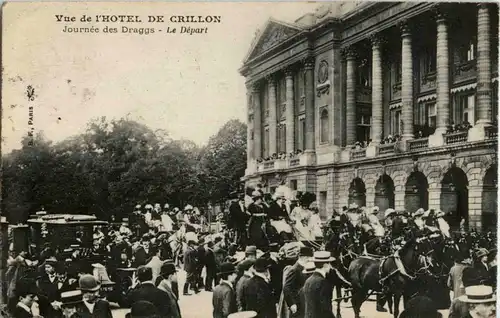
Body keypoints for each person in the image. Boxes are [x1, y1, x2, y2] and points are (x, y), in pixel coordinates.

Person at [302, 251, 335, 318]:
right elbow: (326, 308)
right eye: (329, 264)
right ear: (325, 265)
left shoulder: (308, 281)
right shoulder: (323, 282)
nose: (330, 266)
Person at [283, 247, 313, 317]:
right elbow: (287, 287)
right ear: (305, 257)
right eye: (309, 258)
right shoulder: (294, 269)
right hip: (298, 304)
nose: (310, 260)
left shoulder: (305, 267)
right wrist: (292, 304)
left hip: (305, 302)